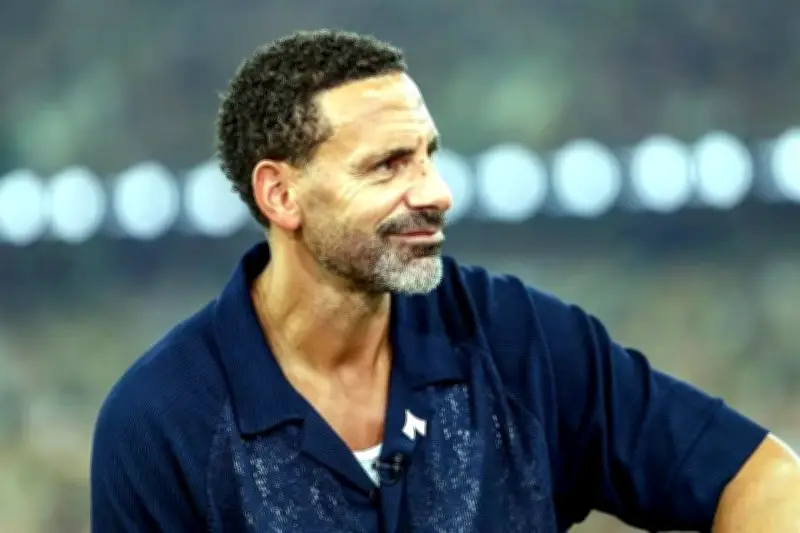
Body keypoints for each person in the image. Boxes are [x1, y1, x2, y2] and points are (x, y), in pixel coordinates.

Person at [90, 29, 800, 532]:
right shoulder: (160, 422)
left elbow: (760, 477)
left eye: (427, 154)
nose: (437, 192)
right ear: (281, 195)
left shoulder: (516, 338)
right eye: (387, 165)